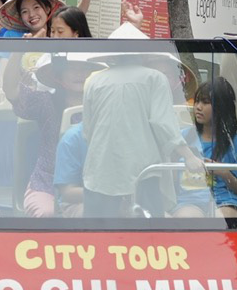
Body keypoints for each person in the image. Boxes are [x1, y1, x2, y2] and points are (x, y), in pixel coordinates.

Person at [82, 51, 203, 217]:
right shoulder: (154, 78)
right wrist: (189, 156)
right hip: (144, 172)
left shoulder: (93, 81)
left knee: (99, 236)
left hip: (101, 172)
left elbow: (88, 130)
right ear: (145, 55)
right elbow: (163, 123)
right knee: (148, 235)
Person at [4, 52, 106, 218]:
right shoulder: (45, 102)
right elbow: (11, 92)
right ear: (59, 75)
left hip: (90, 186)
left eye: (85, 69)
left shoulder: (104, 105)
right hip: (46, 183)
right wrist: (17, 51)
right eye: (72, 69)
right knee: (47, 214)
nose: (79, 74)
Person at [175, 77, 237, 219]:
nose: (198, 107)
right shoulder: (182, 137)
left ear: (222, 106)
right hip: (189, 201)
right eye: (197, 101)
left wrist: (223, 172)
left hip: (226, 201)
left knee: (224, 219)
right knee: (188, 218)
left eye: (205, 102)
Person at [0, 0, 64, 39]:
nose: (31, 15)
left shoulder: (58, 35)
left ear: (47, 9)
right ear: (20, 16)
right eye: (24, 11)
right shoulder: (12, 36)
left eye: (36, 7)